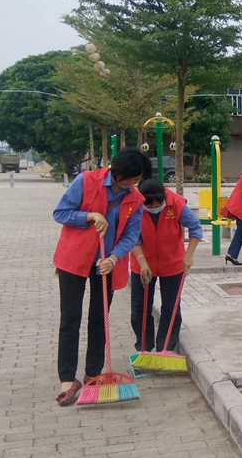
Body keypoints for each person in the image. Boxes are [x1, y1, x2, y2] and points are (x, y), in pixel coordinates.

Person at [52, 148, 151, 406]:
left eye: (136, 180)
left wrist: (114, 258)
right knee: (70, 318)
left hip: (106, 264)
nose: (131, 184)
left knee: (99, 319)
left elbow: (131, 235)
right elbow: (61, 212)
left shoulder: (136, 199)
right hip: (74, 259)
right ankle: (67, 378)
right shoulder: (86, 181)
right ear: (116, 173)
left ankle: (92, 373)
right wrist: (89, 216)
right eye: (128, 179)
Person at [129, 179, 203, 353]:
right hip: (142, 263)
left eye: (159, 205)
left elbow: (195, 228)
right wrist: (142, 263)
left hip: (172, 263)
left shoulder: (176, 203)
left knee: (171, 307)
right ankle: (144, 348)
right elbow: (131, 237)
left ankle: (165, 348)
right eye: (150, 206)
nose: (155, 208)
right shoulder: (133, 207)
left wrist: (189, 254)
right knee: (140, 308)